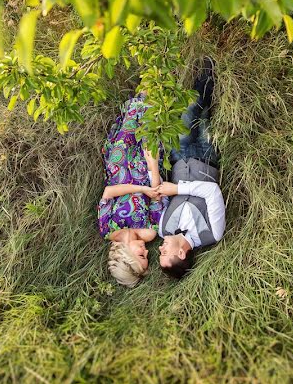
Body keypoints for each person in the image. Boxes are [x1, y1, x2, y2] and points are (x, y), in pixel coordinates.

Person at [155, 59, 226, 279]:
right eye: (164, 253)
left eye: (160, 251)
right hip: (206, 157)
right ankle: (216, 80)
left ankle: (208, 63)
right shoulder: (212, 233)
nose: (160, 248)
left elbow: (161, 196)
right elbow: (212, 192)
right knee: (206, 117)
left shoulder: (162, 230)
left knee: (189, 111)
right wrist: (177, 190)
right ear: (181, 254)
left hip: (179, 157)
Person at [97, 94, 168, 287]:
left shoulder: (107, 229)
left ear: (126, 254)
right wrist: (153, 167)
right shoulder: (149, 233)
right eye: (146, 256)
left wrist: (141, 189)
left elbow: (108, 193)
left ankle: (148, 81)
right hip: (145, 168)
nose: (146, 251)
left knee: (132, 116)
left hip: (119, 164)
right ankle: (159, 84)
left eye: (140, 255)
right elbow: (157, 196)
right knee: (152, 121)